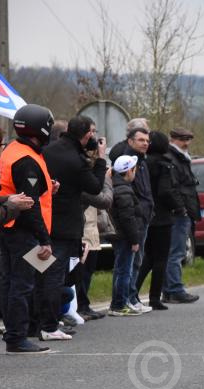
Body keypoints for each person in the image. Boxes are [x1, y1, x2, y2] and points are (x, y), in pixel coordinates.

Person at [40, 115, 107, 340]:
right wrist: (100, 159)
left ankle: (36, 323)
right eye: (93, 132)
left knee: (39, 273)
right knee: (55, 277)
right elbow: (96, 187)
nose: (95, 137)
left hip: (43, 222)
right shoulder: (75, 160)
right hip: (65, 227)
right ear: (87, 134)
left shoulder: (48, 151)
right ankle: (49, 326)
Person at [0, 104, 56, 353]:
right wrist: (44, 240)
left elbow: (22, 190)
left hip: (9, 227)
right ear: (40, 129)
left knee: (11, 281)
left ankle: (15, 331)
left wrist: (48, 187)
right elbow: (30, 205)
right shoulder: (27, 160)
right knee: (23, 284)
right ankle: (17, 336)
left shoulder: (13, 150)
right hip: (25, 232)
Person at [0, 123, 33, 326]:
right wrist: (13, 207)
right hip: (7, 233)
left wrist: (8, 199)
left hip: (0, 236)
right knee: (10, 277)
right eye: (1, 145)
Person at [136, 131, 182, 310]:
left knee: (147, 257)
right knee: (161, 258)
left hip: (147, 214)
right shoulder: (164, 165)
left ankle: (134, 290)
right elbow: (166, 191)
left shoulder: (144, 163)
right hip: (162, 216)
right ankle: (154, 297)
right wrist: (179, 207)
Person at [163, 127, 201, 304]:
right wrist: (182, 209)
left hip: (183, 209)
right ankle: (175, 289)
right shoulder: (173, 158)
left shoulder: (180, 158)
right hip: (179, 212)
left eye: (188, 139)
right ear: (173, 139)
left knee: (174, 251)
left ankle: (169, 290)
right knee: (176, 252)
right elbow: (173, 187)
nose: (186, 143)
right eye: (182, 139)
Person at [108, 155, 143, 316]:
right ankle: (119, 304)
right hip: (125, 236)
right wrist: (135, 240)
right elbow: (128, 218)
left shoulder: (115, 185)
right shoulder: (124, 191)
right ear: (129, 171)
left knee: (120, 268)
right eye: (134, 169)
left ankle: (117, 303)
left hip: (118, 235)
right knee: (124, 271)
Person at [77, 168, 113, 320]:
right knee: (80, 272)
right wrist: (105, 178)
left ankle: (84, 304)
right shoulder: (82, 178)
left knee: (89, 269)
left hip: (92, 228)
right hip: (82, 229)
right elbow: (104, 200)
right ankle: (79, 305)